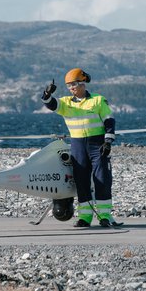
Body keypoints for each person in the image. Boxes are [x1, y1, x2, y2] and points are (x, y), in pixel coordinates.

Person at [41, 68, 120, 228]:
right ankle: (85, 217)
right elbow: (51, 105)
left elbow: (109, 120)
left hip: (97, 144)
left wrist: (108, 141)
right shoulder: (66, 103)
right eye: (69, 86)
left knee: (102, 179)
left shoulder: (98, 100)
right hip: (77, 145)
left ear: (83, 83)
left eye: (74, 84)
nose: (72, 88)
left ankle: (105, 215)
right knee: (81, 181)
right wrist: (47, 95)